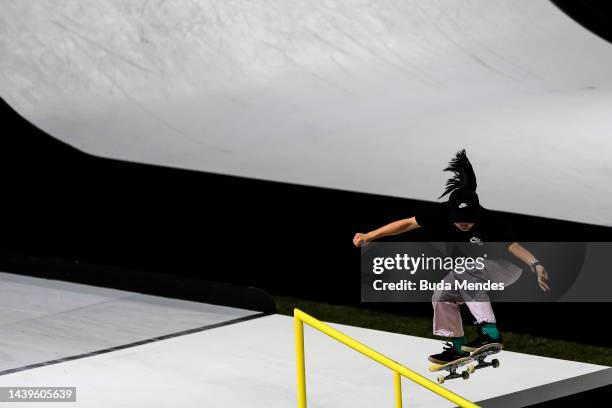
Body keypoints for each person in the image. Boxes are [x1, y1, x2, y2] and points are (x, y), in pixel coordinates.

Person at [353, 150, 550, 364]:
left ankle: (490, 333)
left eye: (469, 220)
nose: (464, 224)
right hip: (474, 269)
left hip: (507, 267)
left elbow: (514, 247)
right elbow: (408, 223)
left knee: (464, 270)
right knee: (441, 294)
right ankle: (458, 347)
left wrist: (535, 264)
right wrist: (370, 235)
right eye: (459, 219)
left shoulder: (490, 221)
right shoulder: (442, 212)